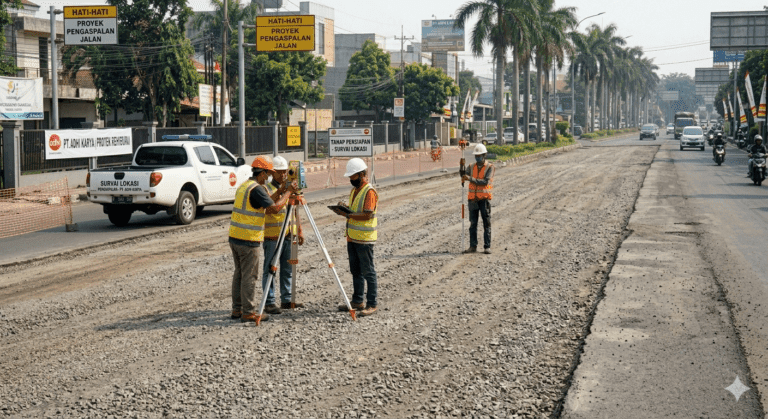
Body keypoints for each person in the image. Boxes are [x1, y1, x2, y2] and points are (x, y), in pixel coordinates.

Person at [229, 156, 295, 323]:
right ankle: (249, 312)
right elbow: (274, 209)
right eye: (268, 174)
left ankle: (237, 309)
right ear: (263, 173)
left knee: (239, 274)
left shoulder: (246, 186)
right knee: (249, 276)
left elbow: (264, 203)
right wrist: (288, 192)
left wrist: (280, 191)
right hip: (248, 239)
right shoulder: (257, 189)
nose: (269, 177)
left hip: (235, 236)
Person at [331, 158, 379, 317]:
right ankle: (358, 300)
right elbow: (354, 211)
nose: (351, 179)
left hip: (364, 239)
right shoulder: (355, 191)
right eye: (350, 177)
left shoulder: (369, 191)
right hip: (352, 237)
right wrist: (345, 209)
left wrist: (349, 214)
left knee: (368, 271)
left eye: (353, 176)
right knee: (356, 271)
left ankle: (372, 304)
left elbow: (367, 214)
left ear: (362, 174)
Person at [261, 156, 305, 314]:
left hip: (288, 234)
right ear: (273, 173)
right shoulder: (266, 189)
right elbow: (271, 208)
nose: (284, 175)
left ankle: (287, 299)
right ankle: (269, 301)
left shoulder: (290, 190)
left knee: (288, 268)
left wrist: (299, 229)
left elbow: (294, 209)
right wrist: (284, 191)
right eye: (280, 172)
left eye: (285, 172)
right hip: (272, 236)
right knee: (270, 269)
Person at [462, 143, 495, 254]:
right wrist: (461, 167)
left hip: (483, 200)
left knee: (486, 223)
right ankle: (473, 246)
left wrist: (470, 178)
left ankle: (487, 246)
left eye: (479, 155)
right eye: (476, 155)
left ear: (484, 155)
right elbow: (463, 175)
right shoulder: (471, 167)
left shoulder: (489, 167)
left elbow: (485, 181)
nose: (477, 157)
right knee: (473, 224)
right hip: (472, 200)